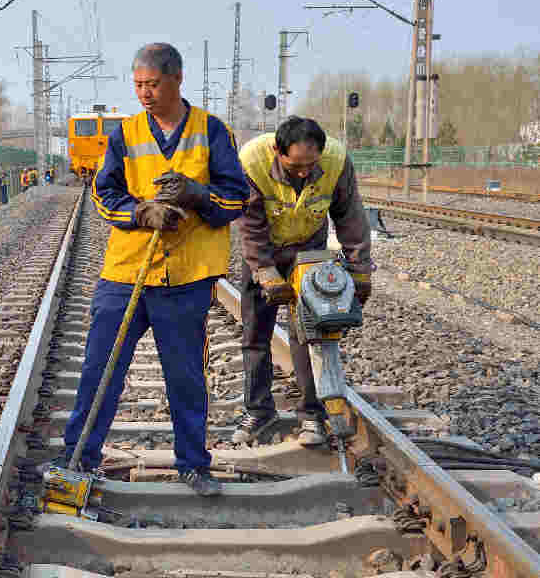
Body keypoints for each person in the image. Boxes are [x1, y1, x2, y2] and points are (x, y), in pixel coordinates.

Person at [61, 43, 249, 497]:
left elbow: (235, 198)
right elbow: (104, 195)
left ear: (177, 80)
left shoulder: (212, 131)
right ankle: (77, 459)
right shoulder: (126, 134)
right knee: (99, 369)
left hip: (185, 277)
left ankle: (193, 465)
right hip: (126, 274)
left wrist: (196, 196)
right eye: (139, 85)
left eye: (153, 85)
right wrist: (142, 213)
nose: (144, 93)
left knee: (185, 376)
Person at [231, 116, 373, 447]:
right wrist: (266, 274)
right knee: (255, 334)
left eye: (311, 165)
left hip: (309, 250)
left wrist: (359, 270)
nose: (304, 173)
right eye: (296, 166)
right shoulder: (252, 161)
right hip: (263, 249)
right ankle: (258, 411)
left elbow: (350, 217)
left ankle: (312, 414)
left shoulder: (336, 161)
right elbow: (249, 225)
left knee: (311, 332)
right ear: (277, 152)